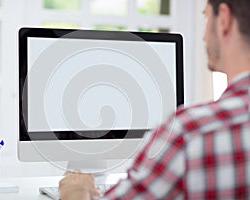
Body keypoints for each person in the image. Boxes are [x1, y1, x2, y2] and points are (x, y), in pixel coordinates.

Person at [59, 0, 250, 199]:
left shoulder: (190, 133)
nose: (203, 36)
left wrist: (75, 192)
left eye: (207, 17)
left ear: (224, 20)